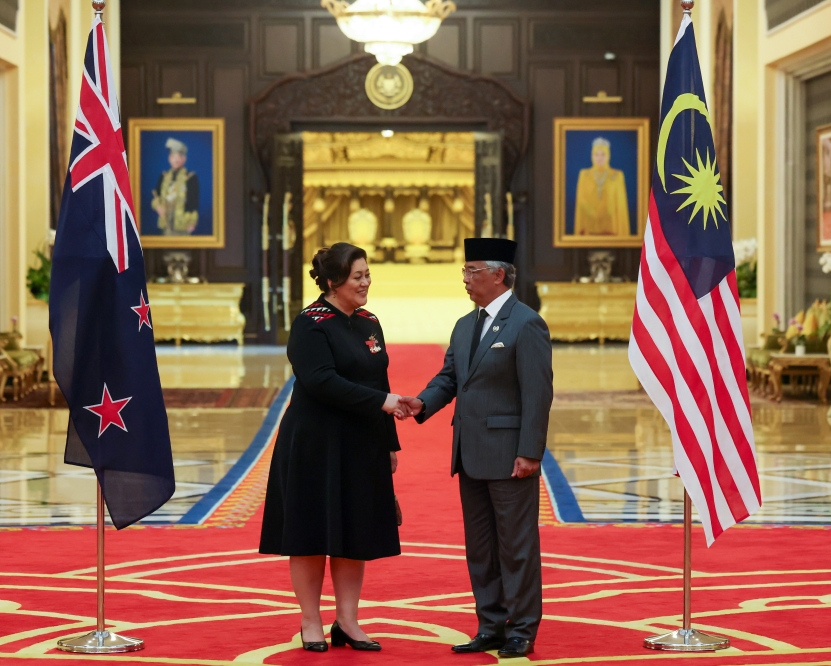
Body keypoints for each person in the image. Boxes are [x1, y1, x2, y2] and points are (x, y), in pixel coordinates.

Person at [400, 238, 553, 659]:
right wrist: (422, 402)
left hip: (510, 456)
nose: (465, 280)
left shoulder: (527, 324)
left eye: (472, 271)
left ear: (498, 274)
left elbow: (537, 395)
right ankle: (491, 624)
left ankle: (522, 628)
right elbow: (450, 377)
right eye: (465, 272)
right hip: (469, 453)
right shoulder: (466, 324)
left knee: (516, 546)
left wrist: (530, 452)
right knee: (481, 547)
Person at [259, 242, 408, 653]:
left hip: (361, 442)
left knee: (354, 529)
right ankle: (311, 621)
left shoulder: (368, 321)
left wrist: (388, 442)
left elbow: (380, 380)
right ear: (332, 282)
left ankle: (348, 621)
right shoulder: (310, 323)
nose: (365, 283)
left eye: (367, 275)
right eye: (357, 277)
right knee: (310, 532)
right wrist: (382, 404)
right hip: (314, 443)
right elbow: (321, 381)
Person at [573, 137, 631, 236]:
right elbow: (581, 201)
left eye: (603, 154)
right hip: (589, 229)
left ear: (608, 155)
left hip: (611, 230)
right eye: (596, 154)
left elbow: (621, 207)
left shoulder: (617, 176)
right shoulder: (584, 175)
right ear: (592, 155)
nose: (599, 158)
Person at [151, 137, 199, 236]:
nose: (176, 160)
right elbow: (156, 196)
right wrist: (158, 206)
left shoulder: (190, 177)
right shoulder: (164, 177)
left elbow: (194, 202)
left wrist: (192, 222)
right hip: (166, 222)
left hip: (183, 223)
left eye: (179, 157)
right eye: (173, 157)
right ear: (169, 158)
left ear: (184, 159)